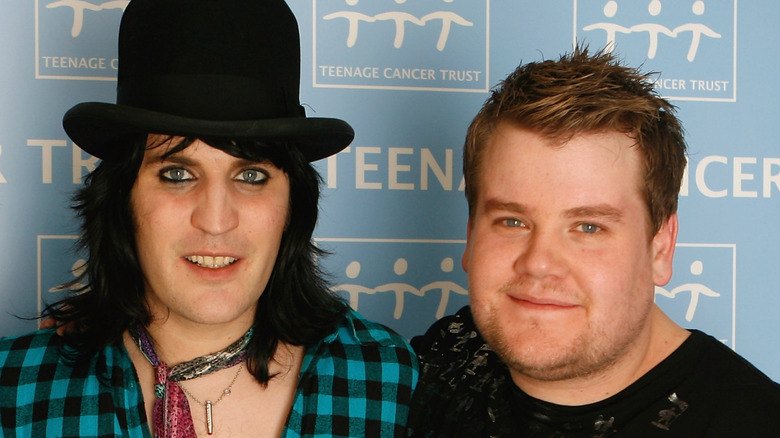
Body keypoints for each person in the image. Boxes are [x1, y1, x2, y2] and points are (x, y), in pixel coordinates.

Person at [0, 0, 417, 436]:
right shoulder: (20, 386)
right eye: (177, 174)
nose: (216, 221)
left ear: (293, 205)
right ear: (122, 198)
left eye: (252, 175)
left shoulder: (384, 376)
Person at [407, 48, 780, 437]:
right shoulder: (432, 364)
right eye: (512, 221)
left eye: (588, 227)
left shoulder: (754, 421)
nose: (539, 263)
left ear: (660, 248)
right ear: (471, 236)